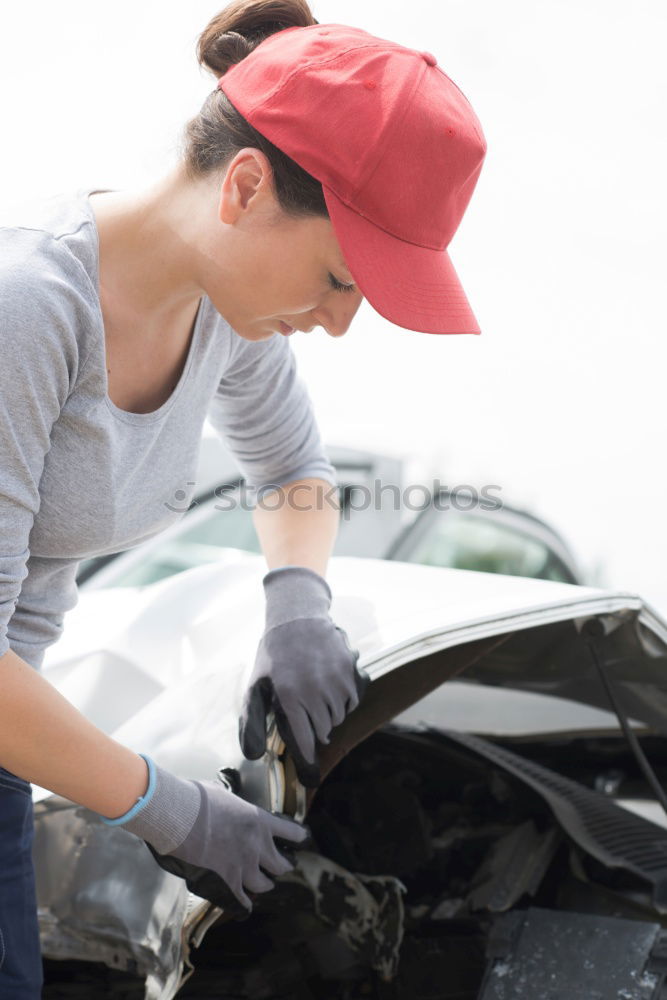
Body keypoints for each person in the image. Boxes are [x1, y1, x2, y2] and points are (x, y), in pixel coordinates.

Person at [0, 0, 486, 994]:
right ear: (247, 186)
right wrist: (167, 808)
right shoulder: (28, 311)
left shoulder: (225, 316)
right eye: (338, 279)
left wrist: (297, 602)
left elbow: (294, 468)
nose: (341, 323)